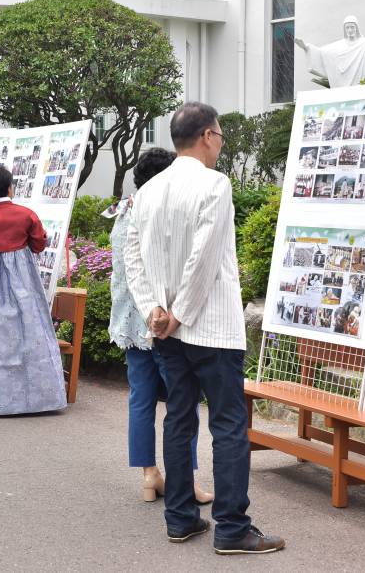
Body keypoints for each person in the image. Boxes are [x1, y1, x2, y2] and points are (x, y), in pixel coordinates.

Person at [124, 102, 284, 555]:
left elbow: (132, 256)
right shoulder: (215, 185)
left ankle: (180, 519)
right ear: (209, 135)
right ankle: (232, 527)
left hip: (168, 331)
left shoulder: (148, 191)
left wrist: (156, 308)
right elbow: (205, 259)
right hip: (210, 327)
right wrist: (182, 311)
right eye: (220, 136)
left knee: (179, 418)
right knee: (230, 424)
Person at [107, 148, 213, 505]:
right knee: (182, 402)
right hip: (166, 323)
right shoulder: (159, 210)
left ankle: (149, 476)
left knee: (141, 400)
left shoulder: (123, 213)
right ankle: (188, 482)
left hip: (130, 322)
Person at [0, 166, 67, 416]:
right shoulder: (25, 214)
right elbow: (39, 243)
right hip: (25, 279)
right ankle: (42, 399)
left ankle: (0, 401)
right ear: (10, 188)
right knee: (33, 333)